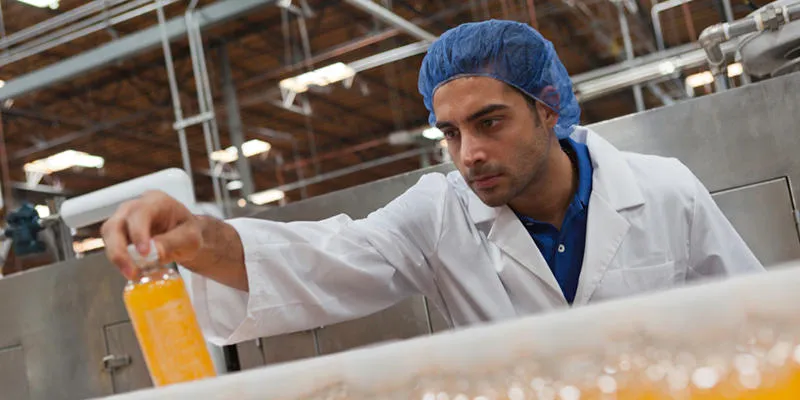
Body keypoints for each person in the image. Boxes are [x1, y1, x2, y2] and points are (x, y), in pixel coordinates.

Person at [101, 20, 763, 345]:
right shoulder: (438, 213)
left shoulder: (663, 188)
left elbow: (757, 320)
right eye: (450, 133)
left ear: (547, 108)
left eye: (490, 122)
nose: (468, 153)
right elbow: (323, 261)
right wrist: (200, 238)